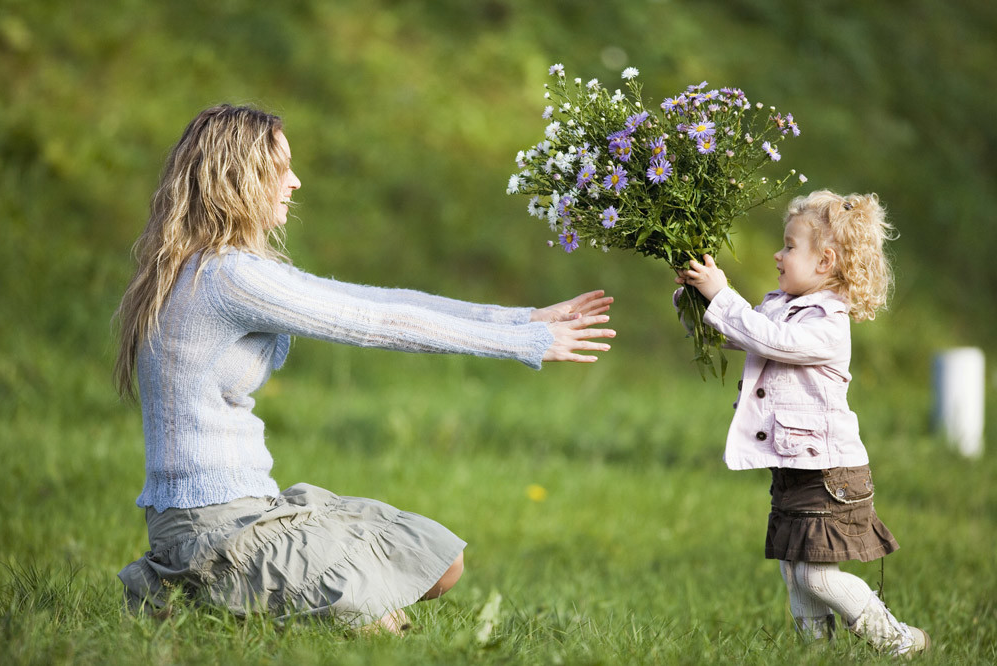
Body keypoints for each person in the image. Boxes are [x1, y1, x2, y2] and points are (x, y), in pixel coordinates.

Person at [114, 104, 616, 634]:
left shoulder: (215, 268)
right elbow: (378, 321)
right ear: (240, 178)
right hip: (213, 531)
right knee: (385, 627)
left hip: (255, 509)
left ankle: (227, 610)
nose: (296, 182)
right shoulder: (225, 277)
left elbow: (372, 299)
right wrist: (525, 343)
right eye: (281, 169)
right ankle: (199, 600)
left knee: (439, 561)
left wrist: (523, 318)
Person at [673, 190, 929, 656]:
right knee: (793, 568)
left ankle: (898, 640)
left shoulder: (828, 324)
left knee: (815, 573)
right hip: (796, 467)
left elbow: (767, 338)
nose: (778, 254)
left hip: (830, 474)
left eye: (789, 246)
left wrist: (722, 295)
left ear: (825, 261)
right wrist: (694, 298)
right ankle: (816, 654)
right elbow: (737, 332)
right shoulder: (781, 306)